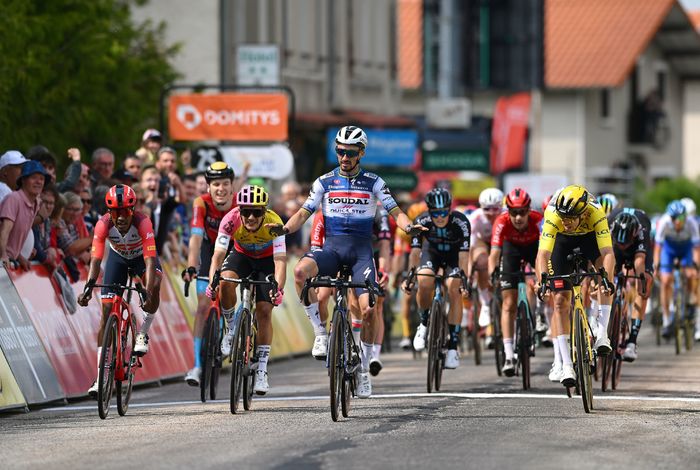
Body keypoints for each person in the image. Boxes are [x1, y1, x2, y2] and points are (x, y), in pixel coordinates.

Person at [266, 125, 423, 399]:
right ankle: (320, 333)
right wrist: (284, 229)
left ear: (361, 153)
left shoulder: (374, 182)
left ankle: (363, 369)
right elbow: (303, 213)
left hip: (362, 254)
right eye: (340, 151)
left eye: (350, 152)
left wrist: (409, 228)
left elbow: (396, 211)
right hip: (332, 250)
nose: (344, 157)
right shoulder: (324, 182)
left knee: (370, 310)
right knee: (301, 272)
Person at [77, 185, 162, 397]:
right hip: (118, 259)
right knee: (106, 314)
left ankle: (142, 333)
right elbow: (96, 260)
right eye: (115, 211)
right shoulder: (102, 224)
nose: (121, 217)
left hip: (142, 259)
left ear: (132, 210)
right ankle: (101, 375)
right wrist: (88, 288)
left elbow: (150, 261)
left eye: (125, 211)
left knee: (156, 281)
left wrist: (147, 291)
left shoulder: (143, 222)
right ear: (109, 212)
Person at [207, 185, 287, 394]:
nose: (251, 217)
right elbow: (218, 255)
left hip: (267, 261)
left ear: (264, 212)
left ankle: (261, 368)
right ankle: (232, 328)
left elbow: (280, 261)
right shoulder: (230, 220)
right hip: (241, 256)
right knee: (225, 281)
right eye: (246, 212)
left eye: (257, 212)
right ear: (239, 210)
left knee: (264, 311)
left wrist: (278, 288)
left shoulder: (275, 223)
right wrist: (212, 282)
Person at [535, 185, 615, 387]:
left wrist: (606, 279)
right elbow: (543, 254)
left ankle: (602, 334)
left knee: (605, 278)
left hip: (589, 238)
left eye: (570, 218)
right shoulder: (554, 215)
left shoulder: (595, 211)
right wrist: (541, 280)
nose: (566, 221)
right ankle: (567, 365)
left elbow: (607, 253)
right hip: (561, 243)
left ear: (583, 212)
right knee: (560, 301)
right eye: (563, 217)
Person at [181, 162, 237, 386]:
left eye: (225, 184)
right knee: (203, 307)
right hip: (209, 247)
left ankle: (232, 329)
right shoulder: (200, 203)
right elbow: (195, 239)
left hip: (234, 248)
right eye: (216, 184)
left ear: (232, 187)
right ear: (208, 187)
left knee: (229, 292)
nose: (220, 189)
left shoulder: (238, 204)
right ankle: (196, 365)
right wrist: (191, 266)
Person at [404, 188, 470, 369]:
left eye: (443, 213)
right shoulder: (421, 221)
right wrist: (410, 275)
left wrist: (464, 279)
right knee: (424, 280)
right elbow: (416, 252)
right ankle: (424, 323)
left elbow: (464, 257)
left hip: (453, 256)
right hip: (431, 254)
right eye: (435, 213)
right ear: (429, 211)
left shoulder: (461, 222)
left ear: (449, 209)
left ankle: (453, 348)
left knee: (454, 287)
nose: (440, 217)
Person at [487, 188, 542, 376]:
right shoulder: (501, 222)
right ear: (507, 211)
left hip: (534, 249)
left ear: (529, 210)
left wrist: (543, 276)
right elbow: (494, 253)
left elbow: (545, 254)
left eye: (522, 213)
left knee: (537, 284)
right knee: (509, 303)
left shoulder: (538, 220)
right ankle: (509, 354)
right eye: (513, 213)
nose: (518, 218)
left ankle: (535, 320)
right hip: (511, 250)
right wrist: (492, 273)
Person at [607, 208, 653, 361]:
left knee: (644, 284)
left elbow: (640, 260)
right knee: (608, 273)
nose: (623, 247)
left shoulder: (642, 230)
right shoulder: (609, 224)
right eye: (621, 244)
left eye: (625, 244)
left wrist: (641, 281)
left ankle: (632, 342)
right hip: (613, 248)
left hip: (638, 251)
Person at [653, 200, 700, 339]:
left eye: (681, 218)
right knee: (666, 281)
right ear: (670, 218)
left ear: (685, 216)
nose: (678, 222)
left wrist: (696, 265)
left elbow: (697, 249)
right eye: (675, 218)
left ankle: (691, 298)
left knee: (691, 275)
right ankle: (667, 321)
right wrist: (656, 266)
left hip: (686, 249)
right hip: (669, 250)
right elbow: (657, 248)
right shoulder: (664, 222)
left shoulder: (692, 223)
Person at [469, 187, 505, 343]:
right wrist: (470, 270)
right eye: (487, 209)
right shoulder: (476, 218)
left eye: (495, 209)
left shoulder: (506, 215)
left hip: (502, 244)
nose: (491, 213)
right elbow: (469, 248)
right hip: (483, 243)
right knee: (482, 262)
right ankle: (485, 303)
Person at [0, 161, 49, 269]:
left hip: (11, 260)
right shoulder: (14, 198)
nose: (38, 182)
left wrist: (20, 257)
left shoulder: (35, 203)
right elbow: (4, 230)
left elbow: (15, 238)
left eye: (41, 179)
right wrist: (3, 255)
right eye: (34, 178)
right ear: (23, 180)